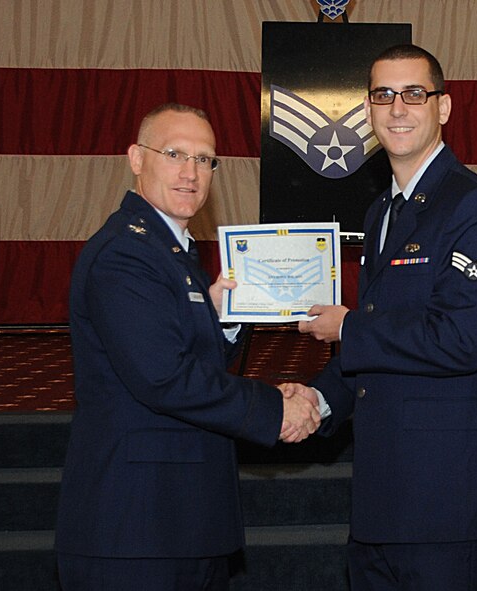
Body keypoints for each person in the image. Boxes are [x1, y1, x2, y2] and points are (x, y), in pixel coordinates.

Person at [55, 103, 320, 590]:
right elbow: (164, 377)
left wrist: (220, 321)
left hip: (178, 520)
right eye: (175, 154)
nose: (191, 173)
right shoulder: (126, 254)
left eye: (204, 159)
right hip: (136, 527)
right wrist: (274, 408)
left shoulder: (170, 250)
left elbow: (184, 356)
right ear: (137, 158)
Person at [290, 44, 477, 589]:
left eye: (414, 93)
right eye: (383, 95)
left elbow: (461, 339)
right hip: (381, 498)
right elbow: (379, 342)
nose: (397, 108)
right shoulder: (382, 211)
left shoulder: (472, 205)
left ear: (444, 107)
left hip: (445, 502)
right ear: (367, 110)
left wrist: (348, 327)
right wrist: (318, 400)